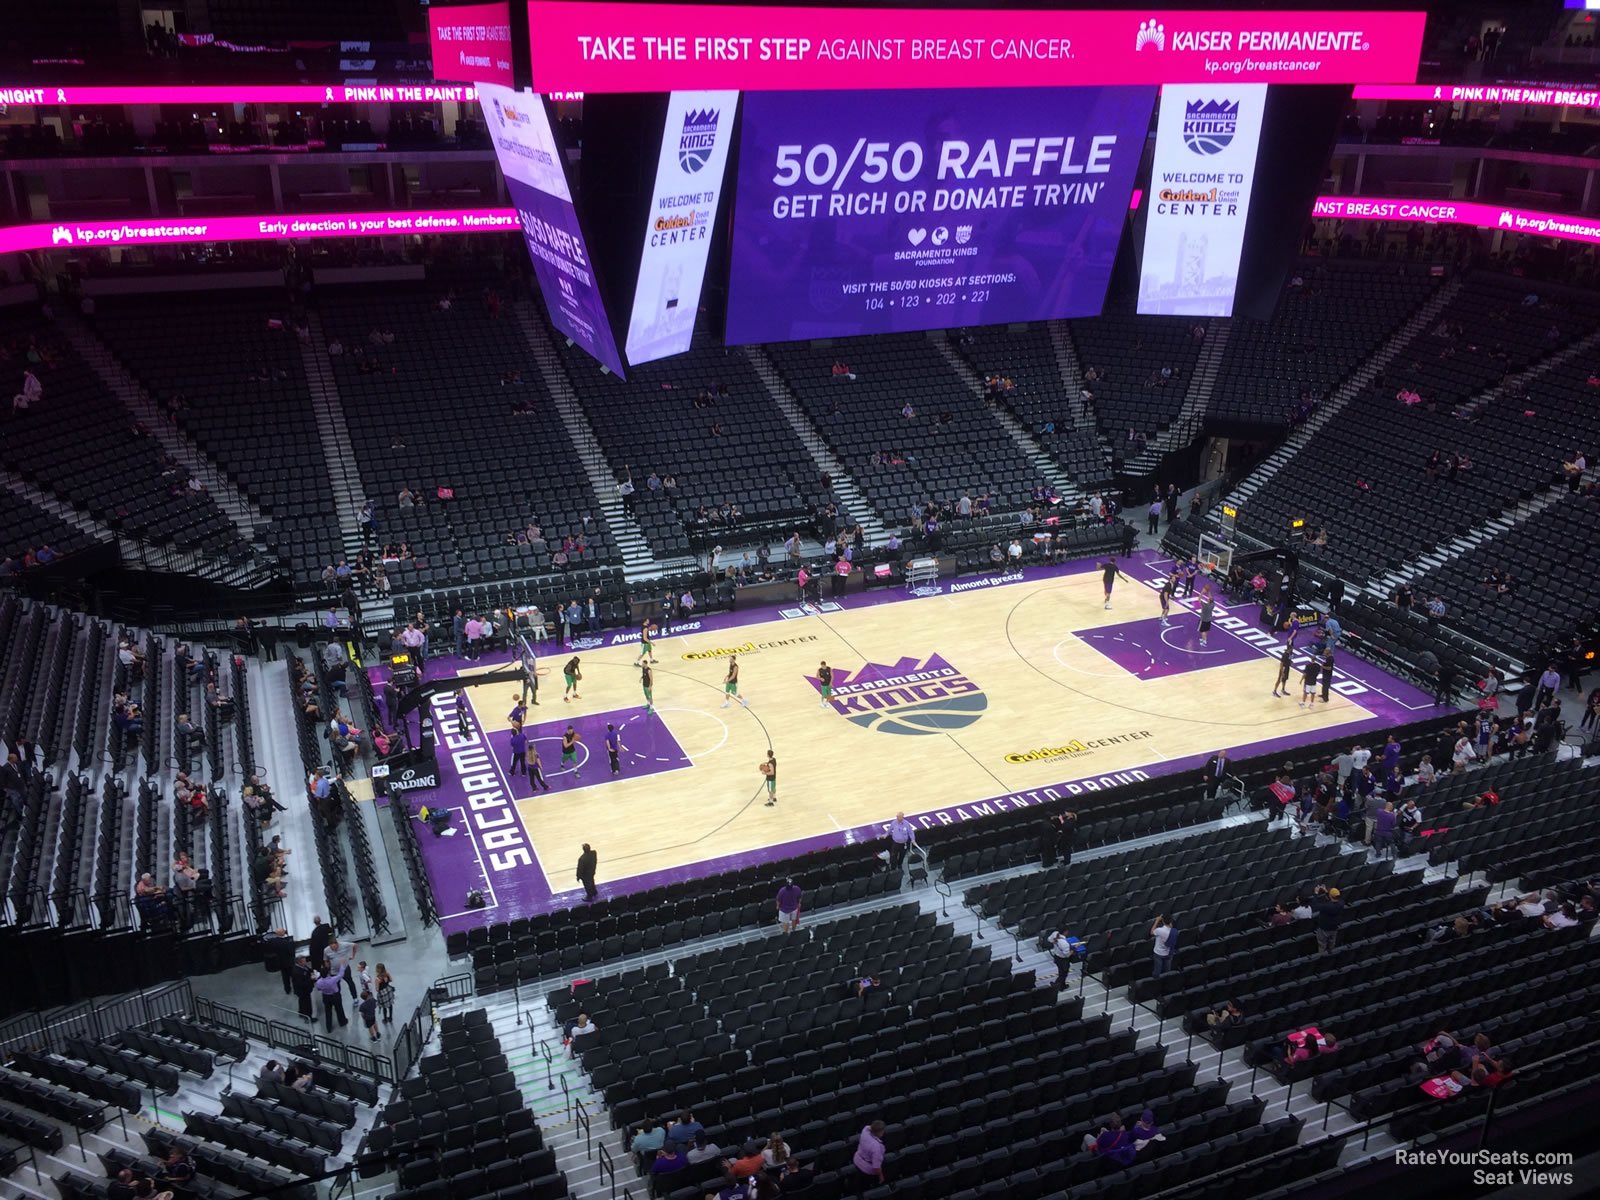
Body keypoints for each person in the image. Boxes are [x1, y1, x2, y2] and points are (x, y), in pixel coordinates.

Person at [851, 1120, 887, 1190]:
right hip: (867, 1169)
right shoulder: (877, 1148)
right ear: (879, 1132)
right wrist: (881, 1176)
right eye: (882, 1131)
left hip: (857, 1159)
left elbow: (870, 1127)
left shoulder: (865, 1130)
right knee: (866, 1186)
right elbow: (876, 1168)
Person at [1311, 886, 1344, 953]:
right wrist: (1326, 891)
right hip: (1334, 928)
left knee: (1322, 945)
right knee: (1332, 943)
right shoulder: (1341, 903)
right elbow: (1332, 899)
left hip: (1324, 929)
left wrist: (1316, 893)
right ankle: (1330, 956)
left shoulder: (1327, 906)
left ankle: (1322, 958)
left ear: (1330, 896)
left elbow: (1314, 904)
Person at [315, 965, 348, 1030]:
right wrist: (342, 966)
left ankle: (329, 1027)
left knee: (328, 1011)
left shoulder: (318, 982)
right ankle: (342, 1022)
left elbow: (318, 989)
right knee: (339, 1009)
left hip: (326, 996)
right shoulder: (333, 979)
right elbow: (340, 975)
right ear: (328, 973)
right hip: (335, 996)